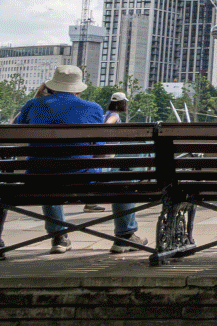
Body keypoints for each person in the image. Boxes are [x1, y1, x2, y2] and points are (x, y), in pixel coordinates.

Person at [10, 66, 141, 253]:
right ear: (78, 89)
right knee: (121, 178)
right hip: (81, 177)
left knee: (49, 174)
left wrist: (38, 96)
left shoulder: (33, 104)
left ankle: (59, 237)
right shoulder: (92, 108)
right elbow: (99, 145)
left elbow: (14, 128)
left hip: (37, 177)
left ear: (50, 86)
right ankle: (125, 235)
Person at [82, 92, 131, 213]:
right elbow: (107, 124)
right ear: (122, 104)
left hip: (101, 149)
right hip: (106, 150)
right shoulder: (114, 115)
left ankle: (91, 202)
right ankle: (91, 203)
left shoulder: (108, 113)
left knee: (98, 174)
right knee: (101, 175)